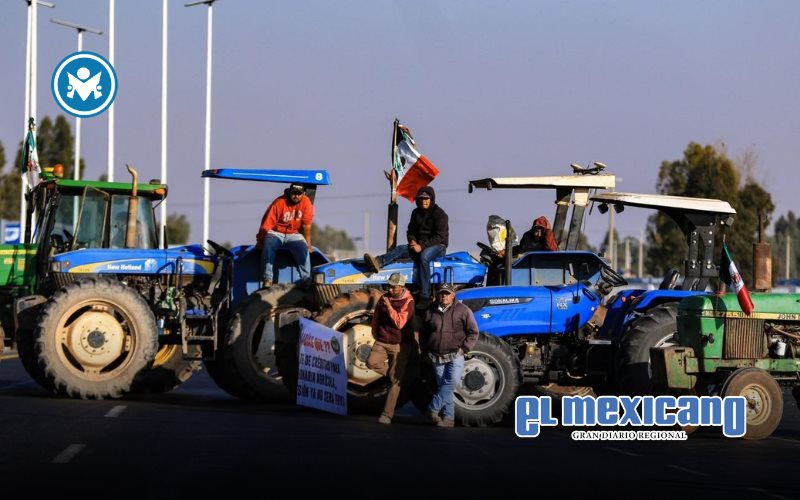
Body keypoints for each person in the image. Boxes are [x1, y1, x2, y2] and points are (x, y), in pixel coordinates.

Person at [363, 186, 448, 308]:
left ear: (432, 199)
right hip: (419, 244)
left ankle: (425, 295)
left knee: (424, 257)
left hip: (437, 246)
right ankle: (378, 262)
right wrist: (412, 241)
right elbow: (410, 231)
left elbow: (440, 236)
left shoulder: (440, 215)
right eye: (421, 199)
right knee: (401, 249)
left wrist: (422, 246)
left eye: (427, 199)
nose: (424, 201)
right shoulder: (416, 213)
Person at [421, 284, 478, 428]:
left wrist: (463, 349)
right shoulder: (430, 312)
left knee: (451, 383)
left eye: (447, 294)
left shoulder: (463, 311)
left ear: (453, 295)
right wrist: (426, 350)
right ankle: (448, 419)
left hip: (455, 354)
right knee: (443, 387)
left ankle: (432, 409)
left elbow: (473, 332)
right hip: (436, 356)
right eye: (441, 293)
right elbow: (424, 333)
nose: (444, 296)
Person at [366, 272, 416, 425]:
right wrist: (375, 331)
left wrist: (389, 307)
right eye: (389, 286)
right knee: (371, 362)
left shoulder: (409, 301)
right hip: (382, 340)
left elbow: (400, 323)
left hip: (399, 344)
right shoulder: (384, 298)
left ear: (401, 287)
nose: (390, 289)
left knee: (395, 383)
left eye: (394, 287)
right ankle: (393, 376)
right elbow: (377, 317)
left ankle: (387, 414)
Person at [256, 182, 314, 288]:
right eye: (294, 193)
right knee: (268, 244)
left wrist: (308, 244)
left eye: (299, 193)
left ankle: (306, 280)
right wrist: (260, 240)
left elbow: (307, 226)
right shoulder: (279, 202)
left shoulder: (306, 203)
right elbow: (267, 223)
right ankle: (267, 279)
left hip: (294, 233)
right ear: (289, 192)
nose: (296, 195)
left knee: (303, 247)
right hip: (276, 232)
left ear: (303, 194)